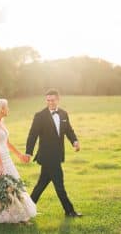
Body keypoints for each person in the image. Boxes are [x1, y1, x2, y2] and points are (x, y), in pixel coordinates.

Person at [23, 89, 82, 217]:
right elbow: (32, 135)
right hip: (47, 157)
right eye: (48, 100)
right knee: (59, 184)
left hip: (57, 155)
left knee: (41, 184)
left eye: (52, 100)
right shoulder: (40, 116)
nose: (50, 102)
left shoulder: (64, 114)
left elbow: (69, 131)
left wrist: (75, 142)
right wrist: (28, 152)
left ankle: (27, 209)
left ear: (58, 100)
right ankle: (69, 211)